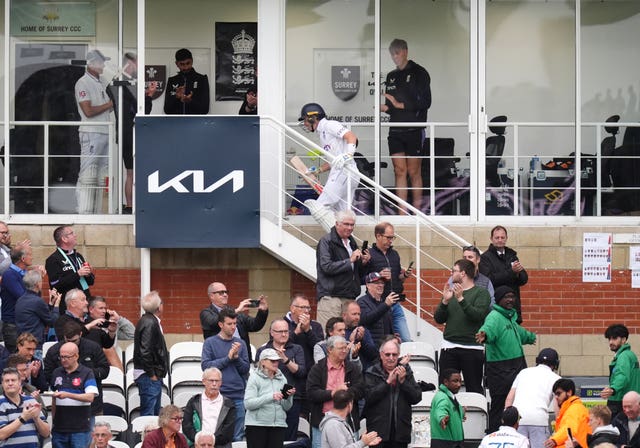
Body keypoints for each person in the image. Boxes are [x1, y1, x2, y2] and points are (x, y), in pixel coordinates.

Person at [476, 285, 536, 433]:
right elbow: (489, 328)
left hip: (515, 368)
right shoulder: (495, 316)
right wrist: (484, 334)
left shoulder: (509, 318)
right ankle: (495, 433)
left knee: (514, 405)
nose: (510, 300)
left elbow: (520, 333)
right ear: (498, 300)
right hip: (500, 371)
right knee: (500, 405)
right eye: (506, 297)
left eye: (512, 296)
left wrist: (530, 337)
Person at [381, 38, 431, 213]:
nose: (394, 57)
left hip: (414, 129)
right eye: (392, 54)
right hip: (395, 130)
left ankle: (417, 212)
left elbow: (426, 102)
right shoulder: (391, 76)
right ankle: (402, 212)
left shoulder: (420, 72)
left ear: (405, 51)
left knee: (413, 172)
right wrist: (385, 108)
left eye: (397, 53)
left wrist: (399, 104)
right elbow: (392, 109)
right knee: (399, 170)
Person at [299, 103, 360, 232]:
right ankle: (347, 247)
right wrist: (318, 171)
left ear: (312, 117)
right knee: (344, 217)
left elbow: (351, 137)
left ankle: (337, 239)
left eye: (305, 119)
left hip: (343, 172)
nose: (304, 123)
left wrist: (347, 155)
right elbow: (333, 161)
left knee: (318, 208)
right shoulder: (322, 134)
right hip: (347, 172)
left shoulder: (328, 124)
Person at [107, 52, 155, 213]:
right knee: (133, 172)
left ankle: (130, 205)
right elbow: (142, 111)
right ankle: (132, 205)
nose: (138, 67)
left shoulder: (116, 83)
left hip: (125, 133)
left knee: (131, 172)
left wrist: (147, 95)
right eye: (137, 63)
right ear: (129, 64)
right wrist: (148, 96)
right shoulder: (126, 84)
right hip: (132, 133)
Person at [434, 258, 490, 393]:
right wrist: (445, 302)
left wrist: (461, 299)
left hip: (472, 348)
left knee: (474, 389)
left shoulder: (481, 293)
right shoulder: (451, 292)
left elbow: (477, 316)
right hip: (449, 347)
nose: (451, 273)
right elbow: (438, 319)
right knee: (445, 389)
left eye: (454, 271)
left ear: (463, 273)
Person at [201, 308, 250, 442]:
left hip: (238, 396)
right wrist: (228, 358)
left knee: (237, 437)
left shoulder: (241, 343)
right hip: (218, 396)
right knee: (216, 435)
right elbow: (206, 366)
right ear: (221, 325)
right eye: (230, 324)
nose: (233, 327)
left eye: (235, 323)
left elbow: (245, 369)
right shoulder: (210, 343)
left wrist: (236, 358)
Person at [315, 209, 369, 329]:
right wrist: (349, 260)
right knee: (329, 337)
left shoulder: (352, 243)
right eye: (346, 224)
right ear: (337, 224)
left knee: (347, 337)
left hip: (349, 297)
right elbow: (326, 267)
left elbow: (357, 274)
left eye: (352, 225)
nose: (350, 228)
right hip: (331, 297)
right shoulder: (326, 241)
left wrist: (363, 263)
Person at [74, 49, 114, 214]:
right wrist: (110, 104)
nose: (103, 65)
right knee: (88, 172)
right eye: (100, 62)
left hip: (105, 131)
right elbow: (88, 111)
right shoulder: (82, 82)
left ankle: (97, 211)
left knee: (101, 174)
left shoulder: (103, 81)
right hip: (91, 132)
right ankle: (83, 211)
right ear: (91, 64)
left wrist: (110, 105)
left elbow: (108, 108)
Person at [44, 321, 109, 420]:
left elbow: (104, 370)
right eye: (67, 340)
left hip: (91, 407)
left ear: (80, 334)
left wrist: (85, 374)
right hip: (63, 408)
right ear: (64, 336)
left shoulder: (93, 347)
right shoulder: (54, 351)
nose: (70, 344)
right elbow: (48, 376)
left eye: (74, 341)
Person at [307, 336, 365, 448]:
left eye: (345, 348)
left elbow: (361, 390)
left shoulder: (352, 367)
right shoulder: (318, 368)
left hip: (348, 420)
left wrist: (345, 393)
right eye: (340, 348)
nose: (344, 351)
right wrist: (333, 393)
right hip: (322, 421)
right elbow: (311, 393)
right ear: (329, 349)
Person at [364, 339, 422, 448]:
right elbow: (369, 398)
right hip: (377, 433)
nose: (391, 358)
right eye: (387, 354)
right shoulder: (372, 372)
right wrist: (387, 383)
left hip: (400, 433)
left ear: (398, 355)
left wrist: (403, 382)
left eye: (394, 354)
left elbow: (416, 397)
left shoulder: (406, 372)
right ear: (381, 355)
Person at [255, 319, 305, 442]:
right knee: (269, 436)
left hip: (291, 398)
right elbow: (259, 373)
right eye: (280, 331)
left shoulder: (296, 348)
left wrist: (285, 359)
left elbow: (301, 372)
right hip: (269, 398)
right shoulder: (264, 350)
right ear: (272, 332)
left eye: (286, 331)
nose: (284, 334)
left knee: (290, 436)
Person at [365, 222, 413, 341]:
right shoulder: (369, 254)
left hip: (395, 302)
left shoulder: (394, 254)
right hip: (379, 304)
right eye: (388, 237)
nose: (391, 241)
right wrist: (379, 275)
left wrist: (404, 275)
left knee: (406, 339)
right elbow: (362, 278)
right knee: (384, 341)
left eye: (393, 237)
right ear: (378, 236)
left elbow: (397, 278)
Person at [505, 348, 561, 447]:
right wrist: (559, 429)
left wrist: (507, 421)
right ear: (555, 364)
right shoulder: (556, 379)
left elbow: (509, 398)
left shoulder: (523, 372)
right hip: (539, 420)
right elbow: (557, 407)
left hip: (517, 420)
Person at [200, 282, 269, 362]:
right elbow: (213, 323)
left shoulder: (235, 312)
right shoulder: (206, 313)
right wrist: (236, 311)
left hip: (241, 358)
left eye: (226, 292)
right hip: (219, 359)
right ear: (211, 296)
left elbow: (255, 325)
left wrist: (262, 311)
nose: (225, 295)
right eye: (221, 293)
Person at [50, 342, 99, 448]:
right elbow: (54, 399)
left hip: (80, 430)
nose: (63, 360)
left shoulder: (87, 373)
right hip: (59, 429)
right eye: (61, 357)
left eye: (67, 357)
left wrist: (68, 395)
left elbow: (90, 397)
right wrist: (53, 421)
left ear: (76, 356)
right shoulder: (56, 373)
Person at [244, 348, 295, 448]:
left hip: (278, 425)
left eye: (277, 360)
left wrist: (289, 397)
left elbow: (286, 407)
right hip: (257, 425)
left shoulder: (282, 378)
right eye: (272, 360)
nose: (276, 363)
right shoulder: (254, 377)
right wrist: (270, 396)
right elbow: (248, 404)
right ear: (263, 361)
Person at [479, 225, 528, 323]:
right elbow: (489, 280)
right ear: (491, 239)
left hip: (513, 303)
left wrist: (518, 274)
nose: (500, 240)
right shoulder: (485, 258)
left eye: (502, 237)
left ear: (506, 238)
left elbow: (524, 279)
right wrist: (511, 272)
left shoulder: (512, 255)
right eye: (497, 238)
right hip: (496, 305)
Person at [133, 291, 169, 416]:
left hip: (150, 374)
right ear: (159, 307)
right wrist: (152, 374)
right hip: (148, 375)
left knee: (154, 414)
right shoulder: (150, 323)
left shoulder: (149, 321)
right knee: (149, 415)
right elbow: (145, 351)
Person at [45, 226, 95, 314]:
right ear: (64, 239)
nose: (75, 235)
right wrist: (77, 274)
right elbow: (55, 285)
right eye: (71, 233)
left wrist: (88, 274)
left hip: (84, 303)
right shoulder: (53, 259)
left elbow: (90, 282)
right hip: (68, 307)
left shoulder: (78, 256)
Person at [182, 367, 235, 448]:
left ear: (221, 383)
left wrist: (210, 442)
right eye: (211, 380)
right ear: (204, 381)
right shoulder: (193, 401)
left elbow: (228, 431)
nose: (214, 384)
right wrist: (199, 440)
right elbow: (186, 425)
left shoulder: (229, 404)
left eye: (217, 381)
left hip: (221, 445)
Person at [0, 366, 50, 448]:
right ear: (2, 384)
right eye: (7, 381)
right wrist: (23, 418)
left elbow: (46, 433)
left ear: (20, 382)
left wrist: (36, 418)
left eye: (13, 380)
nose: (10, 383)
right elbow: (1, 435)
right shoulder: (0, 403)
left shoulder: (31, 401)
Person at [600, 323, 639, 419]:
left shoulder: (623, 356)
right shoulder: (630, 355)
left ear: (624, 339)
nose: (610, 342)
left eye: (614, 338)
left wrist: (613, 389)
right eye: (609, 339)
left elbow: (622, 375)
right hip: (632, 401)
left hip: (619, 401)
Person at [0, 244, 35, 352]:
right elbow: (23, 297)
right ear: (23, 259)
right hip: (12, 324)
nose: (32, 257)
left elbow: (34, 298)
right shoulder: (10, 275)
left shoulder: (25, 274)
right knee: (15, 358)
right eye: (30, 254)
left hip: (24, 322)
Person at [15, 270, 61, 349]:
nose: (42, 283)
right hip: (34, 343)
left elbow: (42, 315)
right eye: (41, 281)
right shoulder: (37, 301)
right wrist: (56, 305)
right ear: (37, 285)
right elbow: (52, 322)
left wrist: (50, 303)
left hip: (23, 342)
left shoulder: (21, 299)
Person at [543, 378, 590, 448]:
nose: (556, 397)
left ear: (569, 392)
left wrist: (555, 440)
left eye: (559, 393)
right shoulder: (572, 408)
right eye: (555, 394)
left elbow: (569, 428)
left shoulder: (575, 409)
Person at [357, 272, 401, 346]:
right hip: (371, 347)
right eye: (377, 283)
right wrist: (385, 305)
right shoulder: (361, 302)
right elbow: (366, 319)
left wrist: (393, 336)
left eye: (382, 283)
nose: (380, 285)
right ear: (368, 285)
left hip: (385, 348)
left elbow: (388, 325)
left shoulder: (385, 302)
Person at [284, 293, 324, 371]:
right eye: (302, 307)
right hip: (289, 371)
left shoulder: (316, 326)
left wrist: (308, 331)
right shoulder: (281, 324)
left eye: (308, 308)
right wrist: (295, 333)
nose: (306, 311)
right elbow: (280, 346)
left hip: (311, 373)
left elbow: (320, 349)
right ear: (292, 309)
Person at [164, 48, 210, 115]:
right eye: (182, 64)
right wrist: (176, 97)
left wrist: (190, 101)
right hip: (176, 123)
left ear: (192, 61)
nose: (186, 67)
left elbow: (205, 110)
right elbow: (167, 110)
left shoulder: (202, 79)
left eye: (188, 63)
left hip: (196, 123)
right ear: (177, 64)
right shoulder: (172, 80)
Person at [86, 297, 125, 369]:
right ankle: (121, 377)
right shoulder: (87, 324)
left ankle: (121, 377)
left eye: (105, 308)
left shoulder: (105, 323)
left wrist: (112, 332)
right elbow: (106, 347)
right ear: (91, 309)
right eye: (101, 308)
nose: (104, 311)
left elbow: (107, 344)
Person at [429, 369, 464, 448]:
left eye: (460, 381)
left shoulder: (449, 396)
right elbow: (440, 410)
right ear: (446, 382)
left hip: (451, 442)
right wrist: (442, 419)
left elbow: (452, 411)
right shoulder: (442, 397)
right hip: (445, 443)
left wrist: (462, 412)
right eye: (455, 381)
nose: (459, 385)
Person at [341, 300, 378, 371]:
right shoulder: (338, 331)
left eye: (359, 314)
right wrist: (350, 341)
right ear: (344, 315)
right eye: (354, 314)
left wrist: (362, 339)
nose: (357, 317)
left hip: (362, 374)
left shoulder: (362, 331)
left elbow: (373, 355)